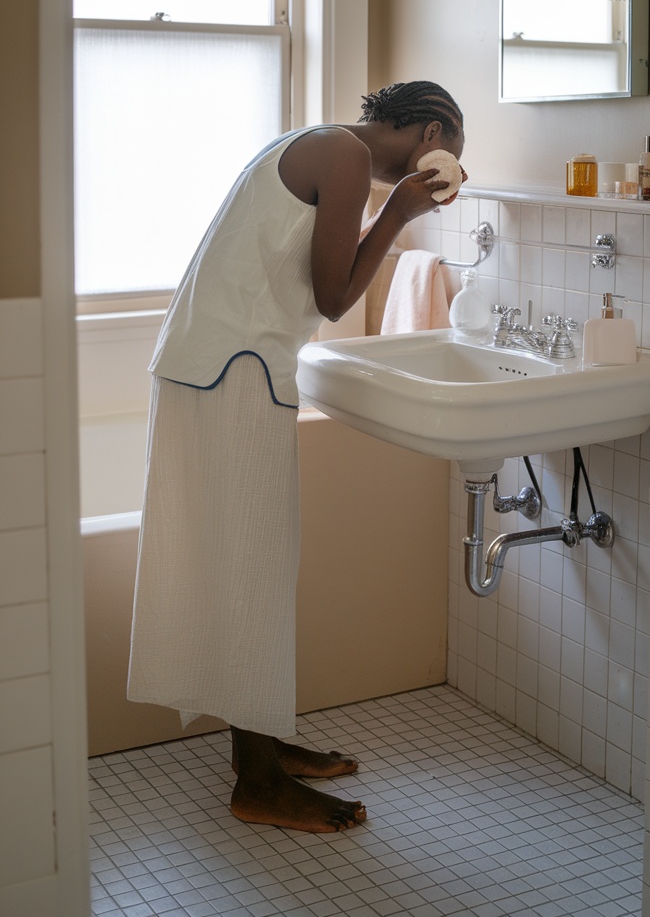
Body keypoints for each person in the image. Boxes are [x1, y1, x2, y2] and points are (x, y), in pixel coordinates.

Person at [127, 80, 465, 834]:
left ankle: (263, 742)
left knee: (254, 564)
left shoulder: (315, 142)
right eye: (450, 156)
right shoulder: (343, 155)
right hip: (231, 374)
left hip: (216, 366)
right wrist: (400, 215)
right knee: (254, 567)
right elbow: (335, 295)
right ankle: (257, 781)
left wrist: (392, 211)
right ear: (431, 134)